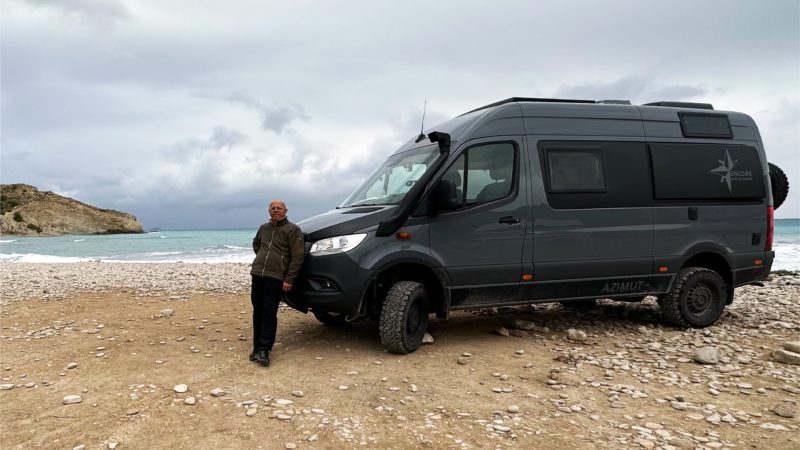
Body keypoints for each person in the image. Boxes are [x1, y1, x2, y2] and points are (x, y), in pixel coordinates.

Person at [249, 199, 305, 367]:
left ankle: (265, 349)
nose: (276, 210)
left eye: (279, 208)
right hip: (258, 273)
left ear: (285, 210)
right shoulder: (263, 228)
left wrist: (289, 278)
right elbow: (256, 245)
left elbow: (297, 256)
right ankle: (256, 347)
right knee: (257, 311)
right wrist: (262, 258)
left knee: (269, 312)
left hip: (276, 276)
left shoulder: (293, 230)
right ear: (269, 210)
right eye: (273, 208)